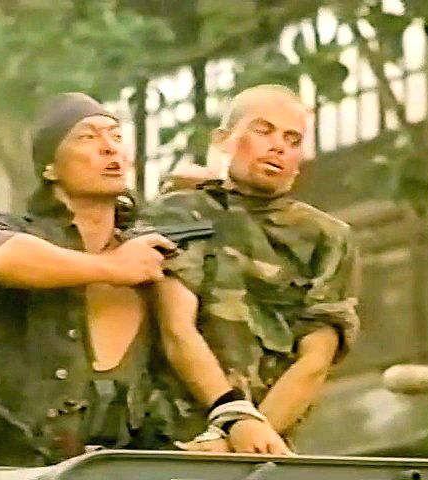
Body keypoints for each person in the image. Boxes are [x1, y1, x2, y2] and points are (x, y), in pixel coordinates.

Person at [145, 84, 360, 454]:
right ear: (223, 140)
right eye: (264, 131)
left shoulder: (327, 238)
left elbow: (315, 360)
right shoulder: (180, 212)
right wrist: (234, 419)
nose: (278, 147)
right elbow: (176, 329)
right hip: (175, 436)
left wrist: (247, 438)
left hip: (266, 444)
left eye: (292, 140)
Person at [0, 92, 178, 465]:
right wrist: (114, 268)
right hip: (17, 468)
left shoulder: (152, 251)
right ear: (50, 168)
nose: (109, 148)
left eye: (116, 136)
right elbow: (2, 259)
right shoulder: (9, 229)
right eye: (87, 136)